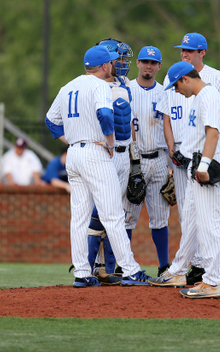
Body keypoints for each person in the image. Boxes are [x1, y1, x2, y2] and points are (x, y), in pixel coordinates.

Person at [44, 45, 151, 287]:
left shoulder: (67, 87)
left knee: (79, 217)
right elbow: (105, 114)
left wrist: (70, 140)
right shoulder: (100, 85)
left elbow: (51, 122)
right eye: (111, 62)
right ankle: (131, 271)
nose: (114, 65)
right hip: (95, 153)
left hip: (73, 155)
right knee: (113, 214)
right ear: (104, 66)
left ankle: (82, 273)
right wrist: (110, 143)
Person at [157, 32, 220, 285]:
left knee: (209, 224)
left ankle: (212, 280)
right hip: (197, 164)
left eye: (177, 86)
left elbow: (213, 134)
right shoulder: (201, 96)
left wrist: (202, 167)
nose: (176, 91)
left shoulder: (210, 95)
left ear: (186, 79)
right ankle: (179, 270)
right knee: (192, 222)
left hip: (207, 165)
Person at [86, 38, 134, 285]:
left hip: (125, 154)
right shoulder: (92, 86)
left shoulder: (124, 85)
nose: (123, 63)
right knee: (101, 213)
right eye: (119, 59)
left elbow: (130, 126)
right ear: (106, 62)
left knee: (119, 213)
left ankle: (109, 269)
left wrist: (134, 160)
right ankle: (88, 267)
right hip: (106, 153)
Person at [122, 46, 170, 276]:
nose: (148, 66)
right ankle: (123, 265)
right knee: (128, 216)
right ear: (138, 63)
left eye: (153, 62)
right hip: (135, 158)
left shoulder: (166, 92)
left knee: (160, 218)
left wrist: (171, 163)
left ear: (159, 66)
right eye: (145, 61)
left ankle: (163, 267)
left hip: (160, 158)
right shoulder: (126, 88)